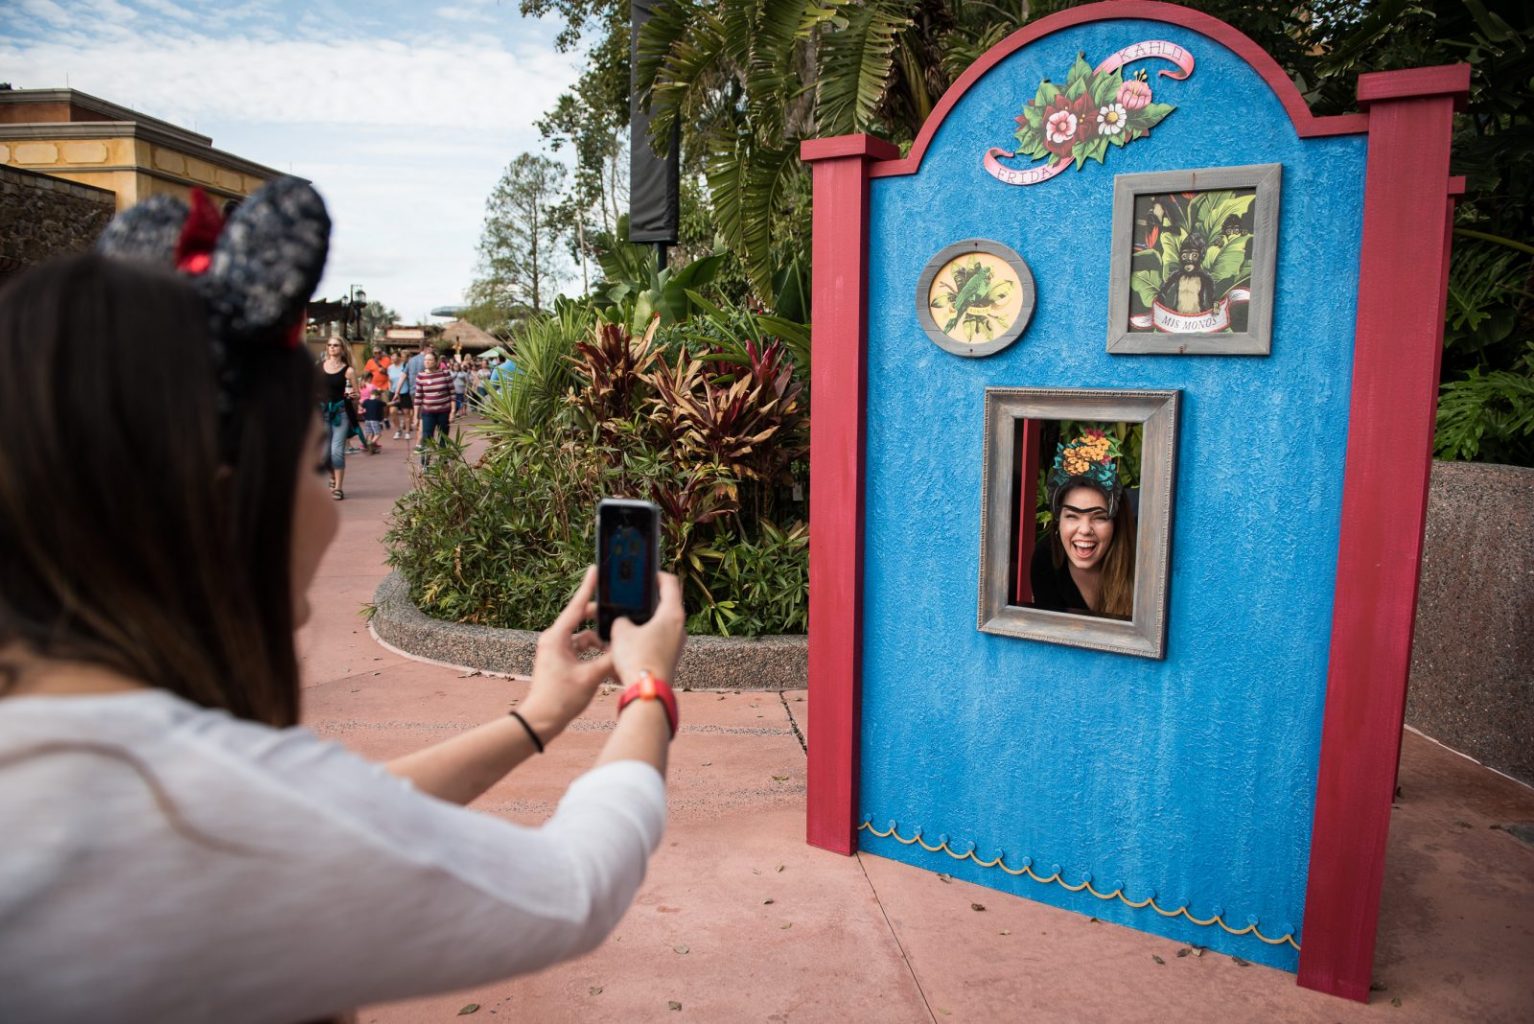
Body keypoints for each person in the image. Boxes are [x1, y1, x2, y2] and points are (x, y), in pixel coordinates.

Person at [0, 180, 687, 1022]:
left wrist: (536, 719)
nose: (328, 504)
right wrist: (647, 688)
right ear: (221, 508)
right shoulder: (205, 821)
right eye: (300, 470)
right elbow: (573, 891)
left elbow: (327, 813)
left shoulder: (81, 761)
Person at [1029, 429, 1138, 619]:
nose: (1085, 530)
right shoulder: (1045, 560)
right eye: (1072, 516)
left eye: (1099, 517)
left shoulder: (1142, 564)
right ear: (1058, 522)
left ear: (1116, 523)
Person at [317, 336, 357, 499]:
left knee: (337, 451)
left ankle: (338, 488)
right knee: (324, 455)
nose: (332, 348)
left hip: (341, 413)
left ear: (342, 349)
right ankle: (333, 477)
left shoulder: (348, 371)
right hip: (323, 413)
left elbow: (356, 394)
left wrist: (353, 396)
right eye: (330, 345)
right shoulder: (319, 368)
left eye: (336, 345)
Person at [414, 348, 455, 459]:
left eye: (430, 360)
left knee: (443, 438)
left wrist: (452, 412)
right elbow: (418, 398)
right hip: (428, 413)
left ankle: (443, 464)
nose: (427, 362)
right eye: (425, 360)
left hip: (444, 412)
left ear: (436, 361)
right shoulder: (420, 376)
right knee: (427, 438)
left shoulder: (445, 374)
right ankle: (425, 465)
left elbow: (452, 394)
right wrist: (415, 417)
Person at [359, 382, 386, 454]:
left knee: (370, 434)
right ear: (377, 396)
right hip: (374, 420)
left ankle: (371, 449)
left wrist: (362, 411)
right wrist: (395, 402)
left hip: (367, 420)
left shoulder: (366, 401)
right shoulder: (378, 402)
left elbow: (361, 407)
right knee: (378, 434)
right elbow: (387, 404)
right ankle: (371, 444)